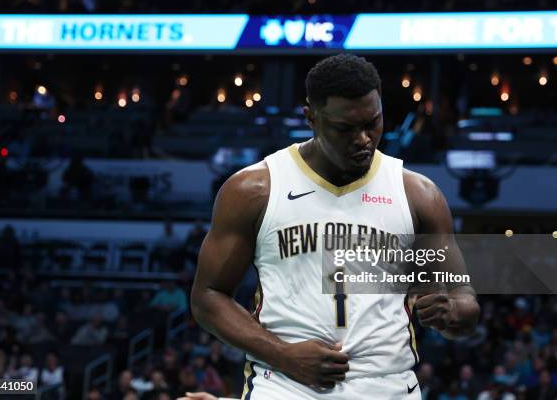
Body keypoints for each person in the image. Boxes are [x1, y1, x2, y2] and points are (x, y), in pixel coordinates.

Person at [191, 54, 479, 399]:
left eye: (373, 123)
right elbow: (207, 297)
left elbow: (464, 302)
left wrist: (453, 312)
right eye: (345, 128)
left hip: (389, 385)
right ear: (311, 118)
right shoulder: (254, 190)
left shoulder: (419, 194)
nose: (363, 139)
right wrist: (283, 355)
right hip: (287, 384)